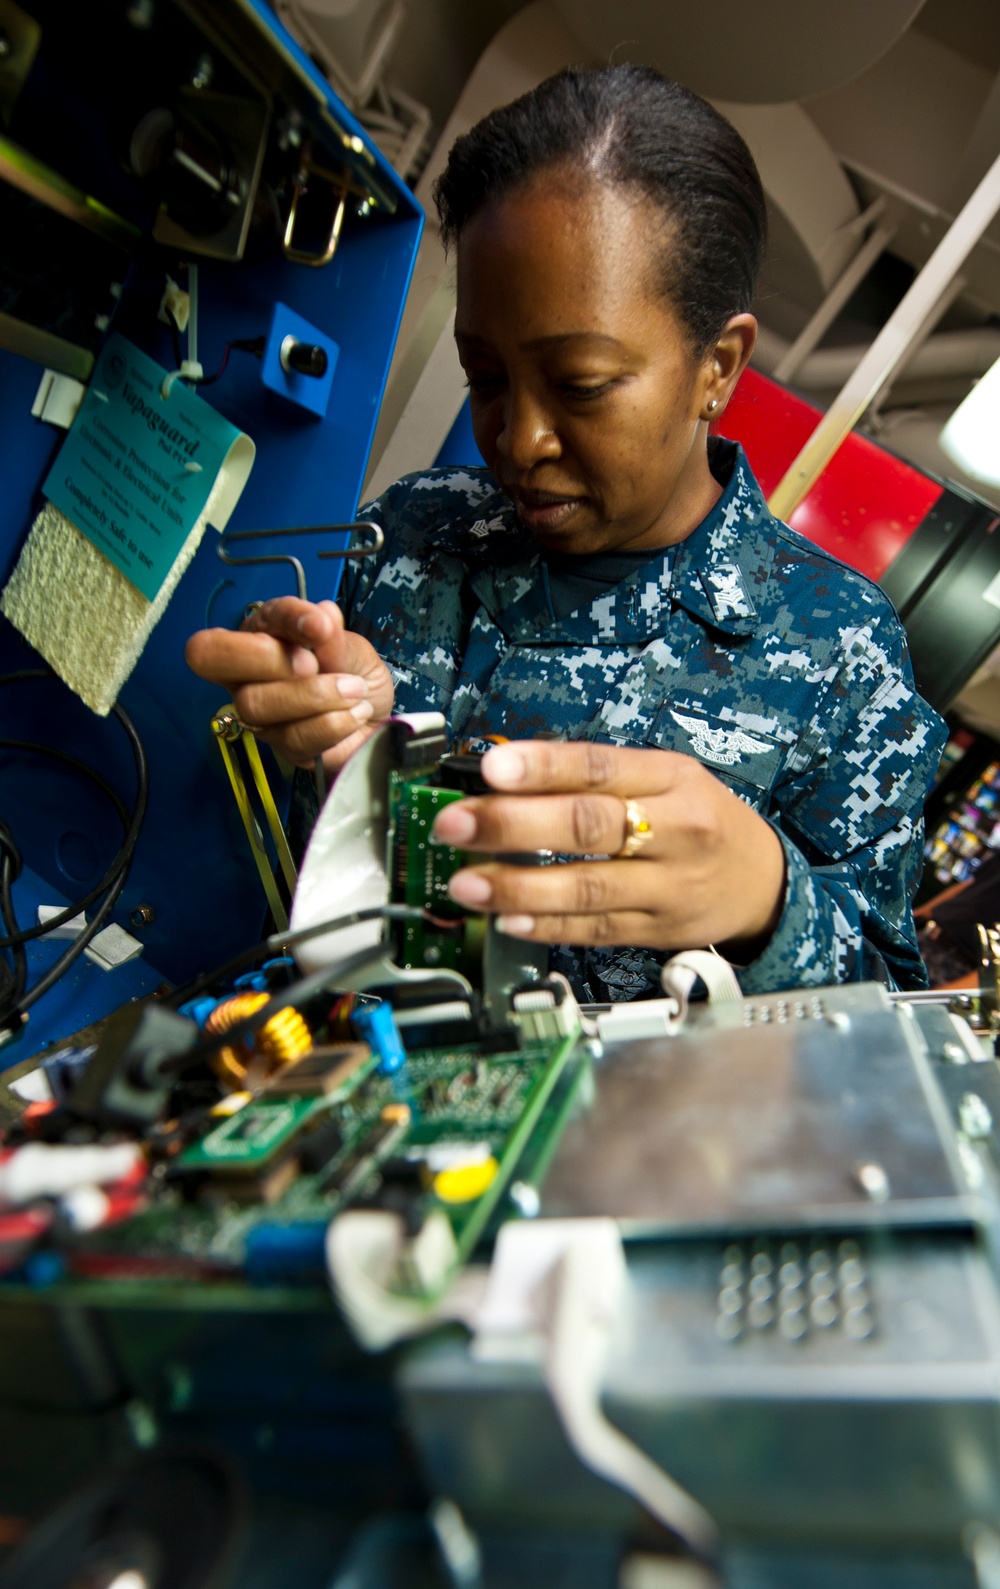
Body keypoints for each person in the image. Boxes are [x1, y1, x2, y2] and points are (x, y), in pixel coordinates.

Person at [186, 66, 946, 1001]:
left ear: (717, 367)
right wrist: (316, 742)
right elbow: (287, 887)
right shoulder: (414, 535)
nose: (518, 438)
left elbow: (889, 1010)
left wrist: (767, 897)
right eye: (486, 375)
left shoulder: (843, 656)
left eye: (580, 384)